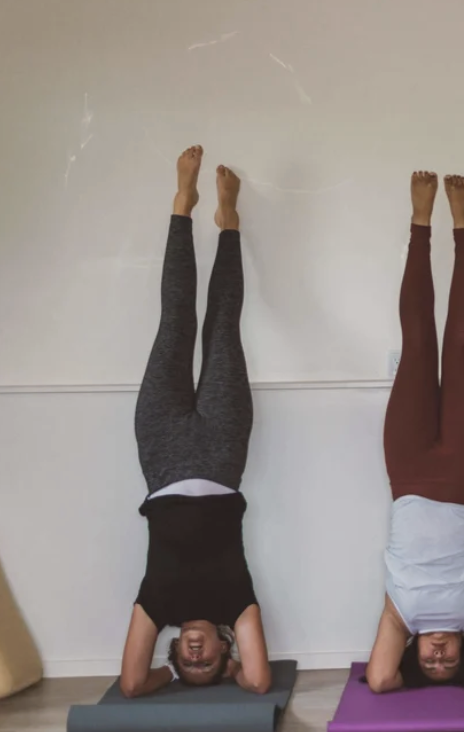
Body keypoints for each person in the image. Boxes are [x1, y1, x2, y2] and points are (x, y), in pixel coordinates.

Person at [119, 146, 271, 697]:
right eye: (209, 663)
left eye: (189, 664)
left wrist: (168, 678)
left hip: (160, 456)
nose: (197, 655)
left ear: (177, 655)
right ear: (227, 648)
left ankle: (181, 207)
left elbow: (132, 685)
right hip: (222, 452)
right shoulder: (238, 600)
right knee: (223, 328)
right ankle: (229, 224)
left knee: (175, 323)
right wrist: (232, 673)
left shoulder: (158, 605)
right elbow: (258, 680)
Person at [364, 172, 464, 694]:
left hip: (407, 472)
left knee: (419, 341)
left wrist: (403, 655)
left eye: (431, 664)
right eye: (451, 664)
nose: (441, 656)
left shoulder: (399, 616)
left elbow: (379, 681)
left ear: (413, 654)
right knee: (463, 344)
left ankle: (420, 223)